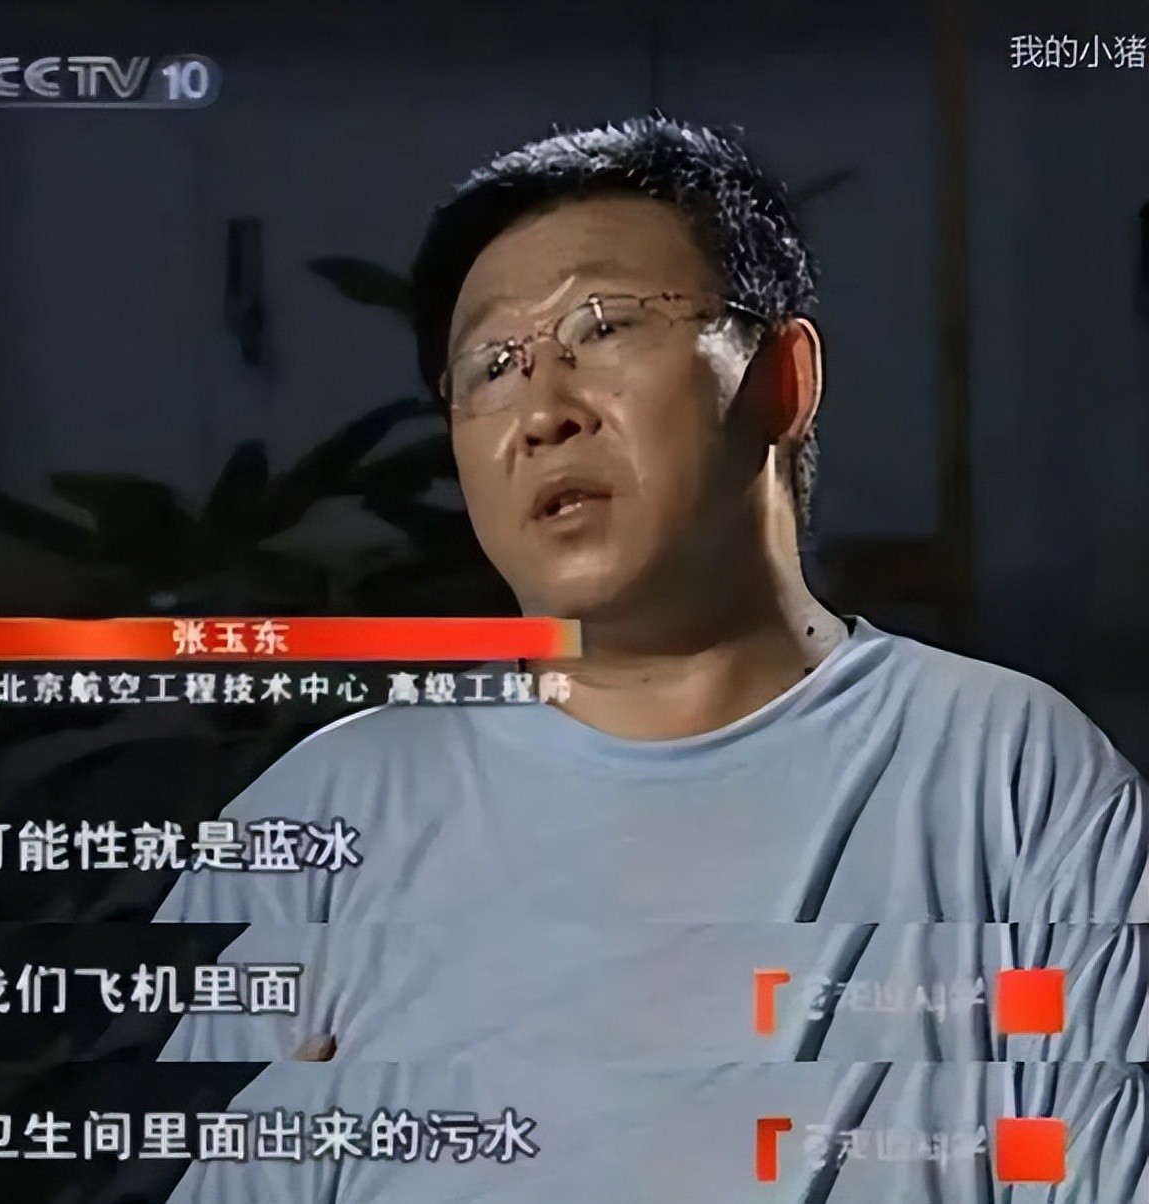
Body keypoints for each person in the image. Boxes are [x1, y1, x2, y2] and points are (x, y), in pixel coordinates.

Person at [155, 115, 1147, 1203]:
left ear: (781, 380)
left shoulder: (1011, 778)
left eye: (604, 326)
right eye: (491, 366)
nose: (542, 411)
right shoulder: (319, 822)